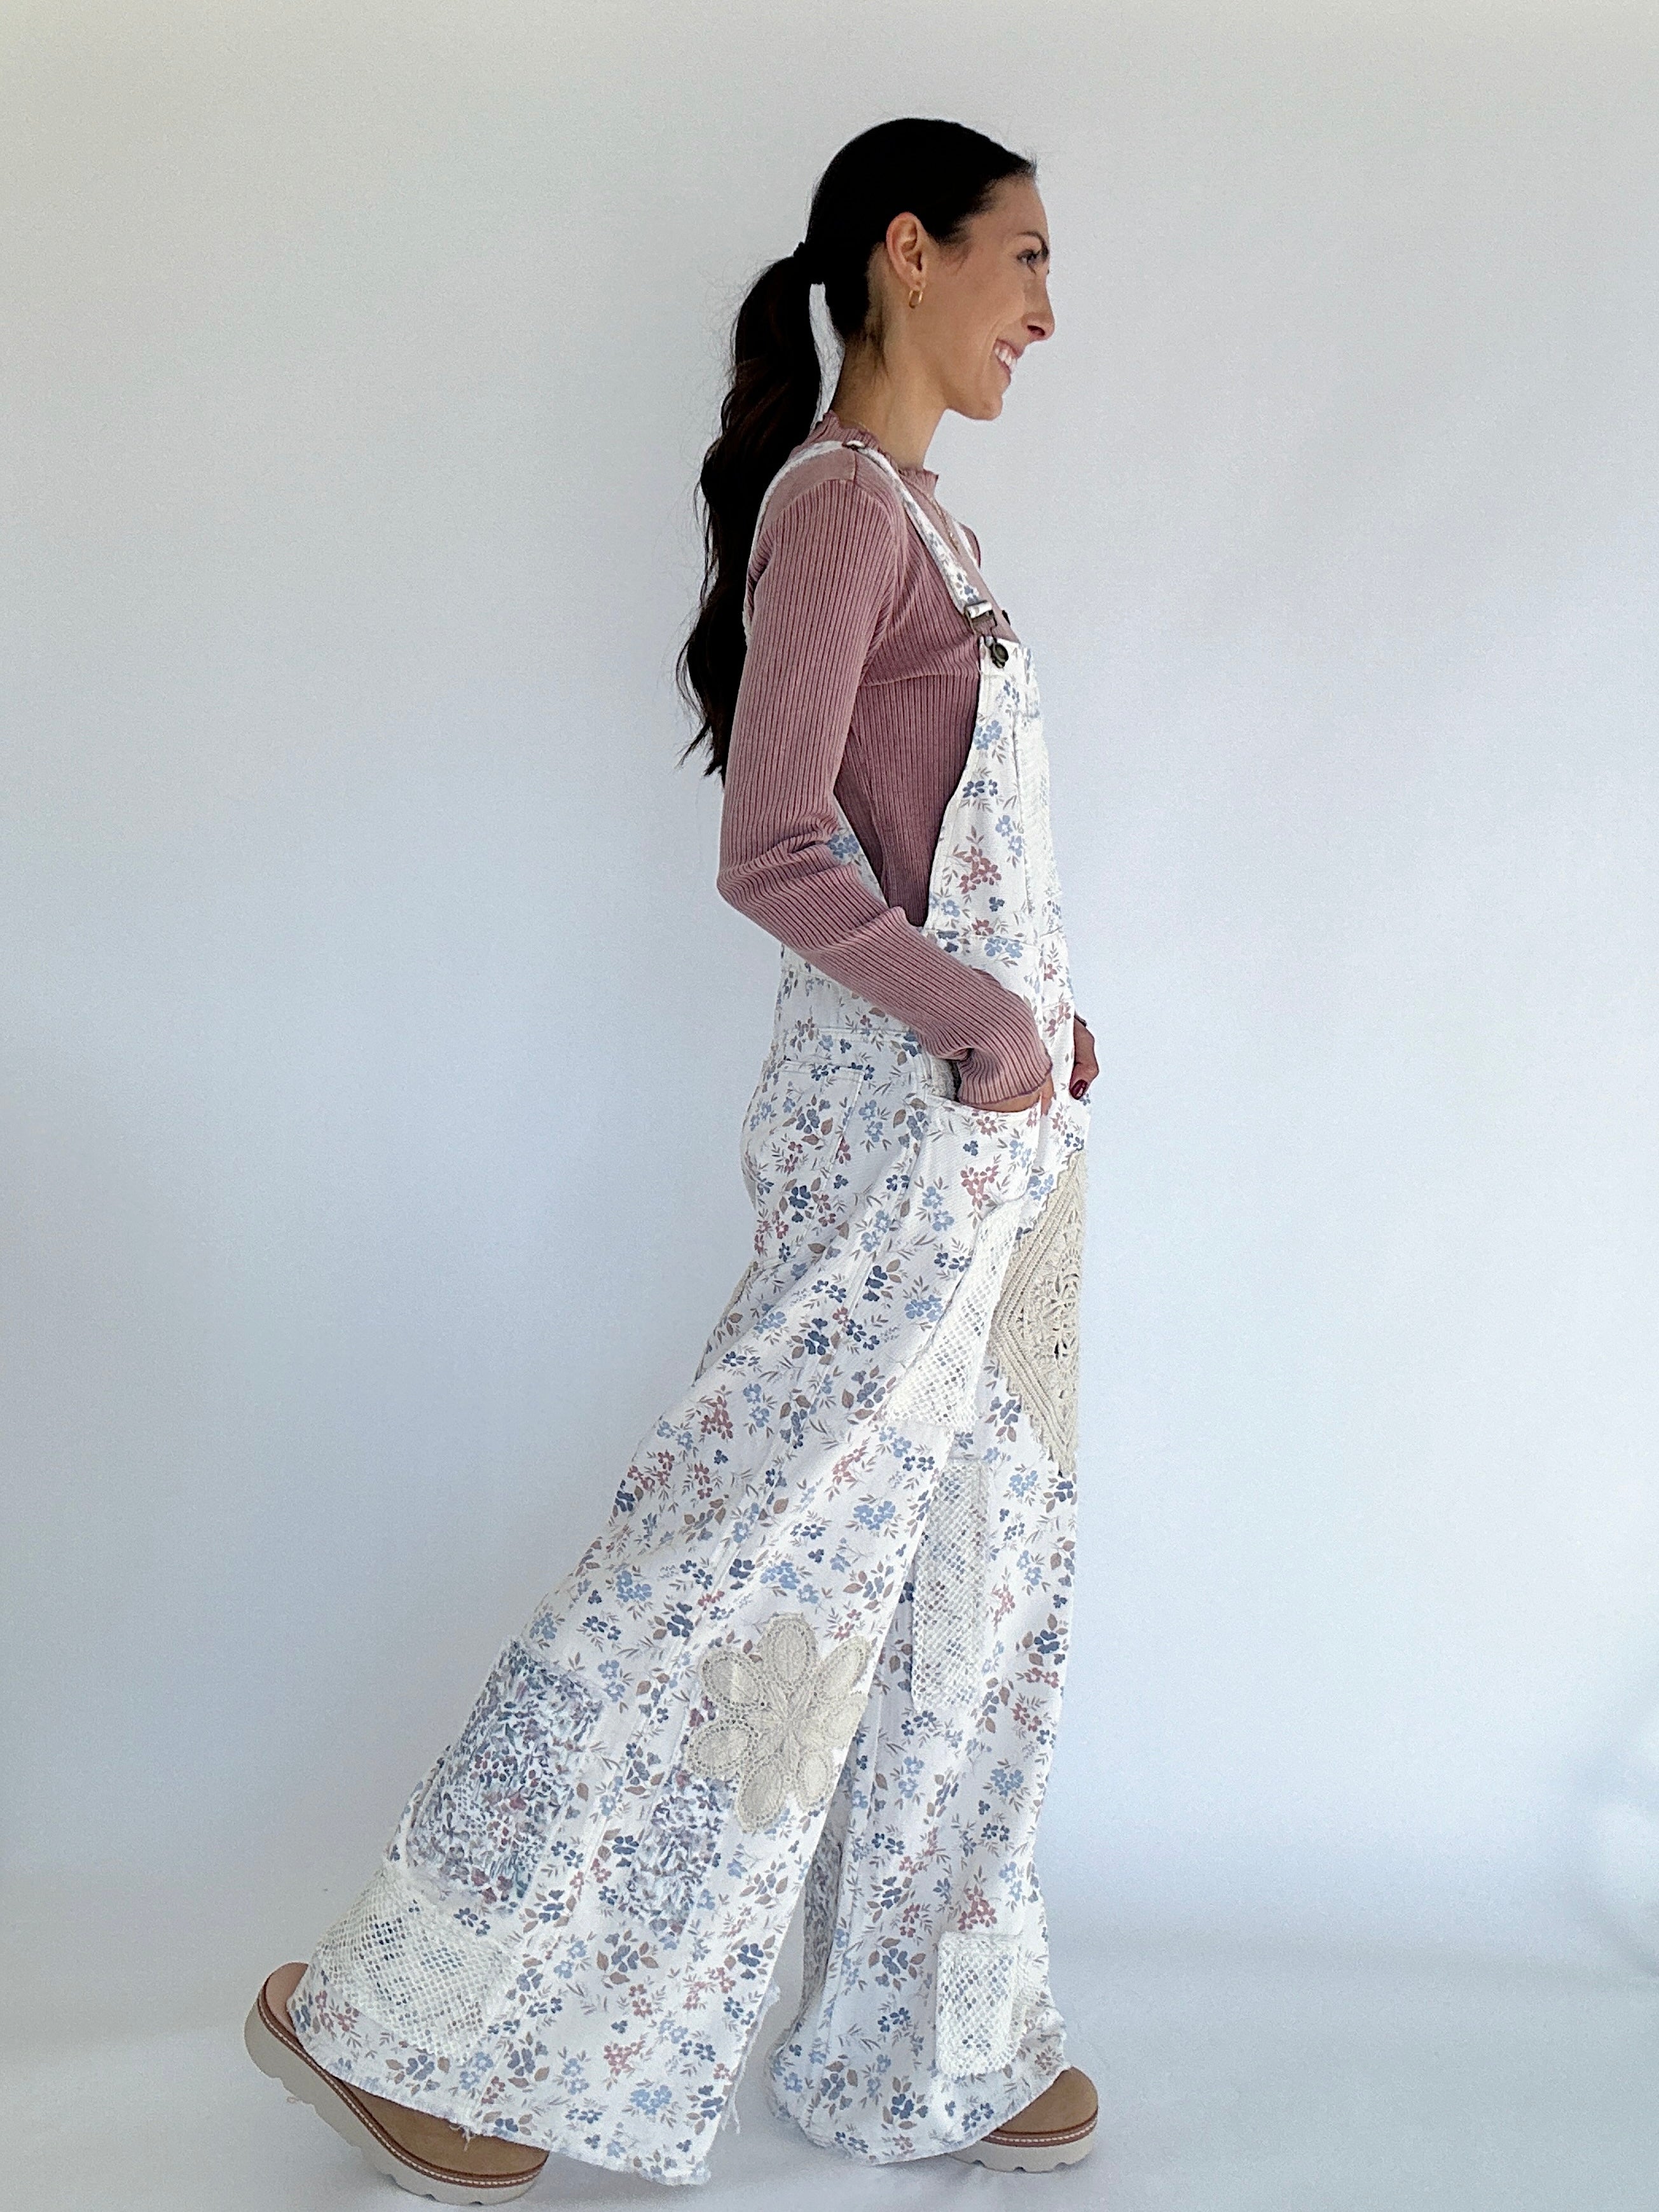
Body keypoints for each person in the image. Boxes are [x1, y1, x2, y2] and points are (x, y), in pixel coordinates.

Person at [246, 114, 1100, 2199]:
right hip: (905, 1136)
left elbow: (920, 853)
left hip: (1001, 1136)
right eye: (1021, 262)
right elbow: (775, 852)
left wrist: (1041, 1011)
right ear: (904, 253)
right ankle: (393, 2012)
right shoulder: (838, 515)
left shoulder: (935, 523)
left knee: (968, 1586)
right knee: (738, 1560)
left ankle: (933, 2038)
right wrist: (982, 1015)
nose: (1045, 314)